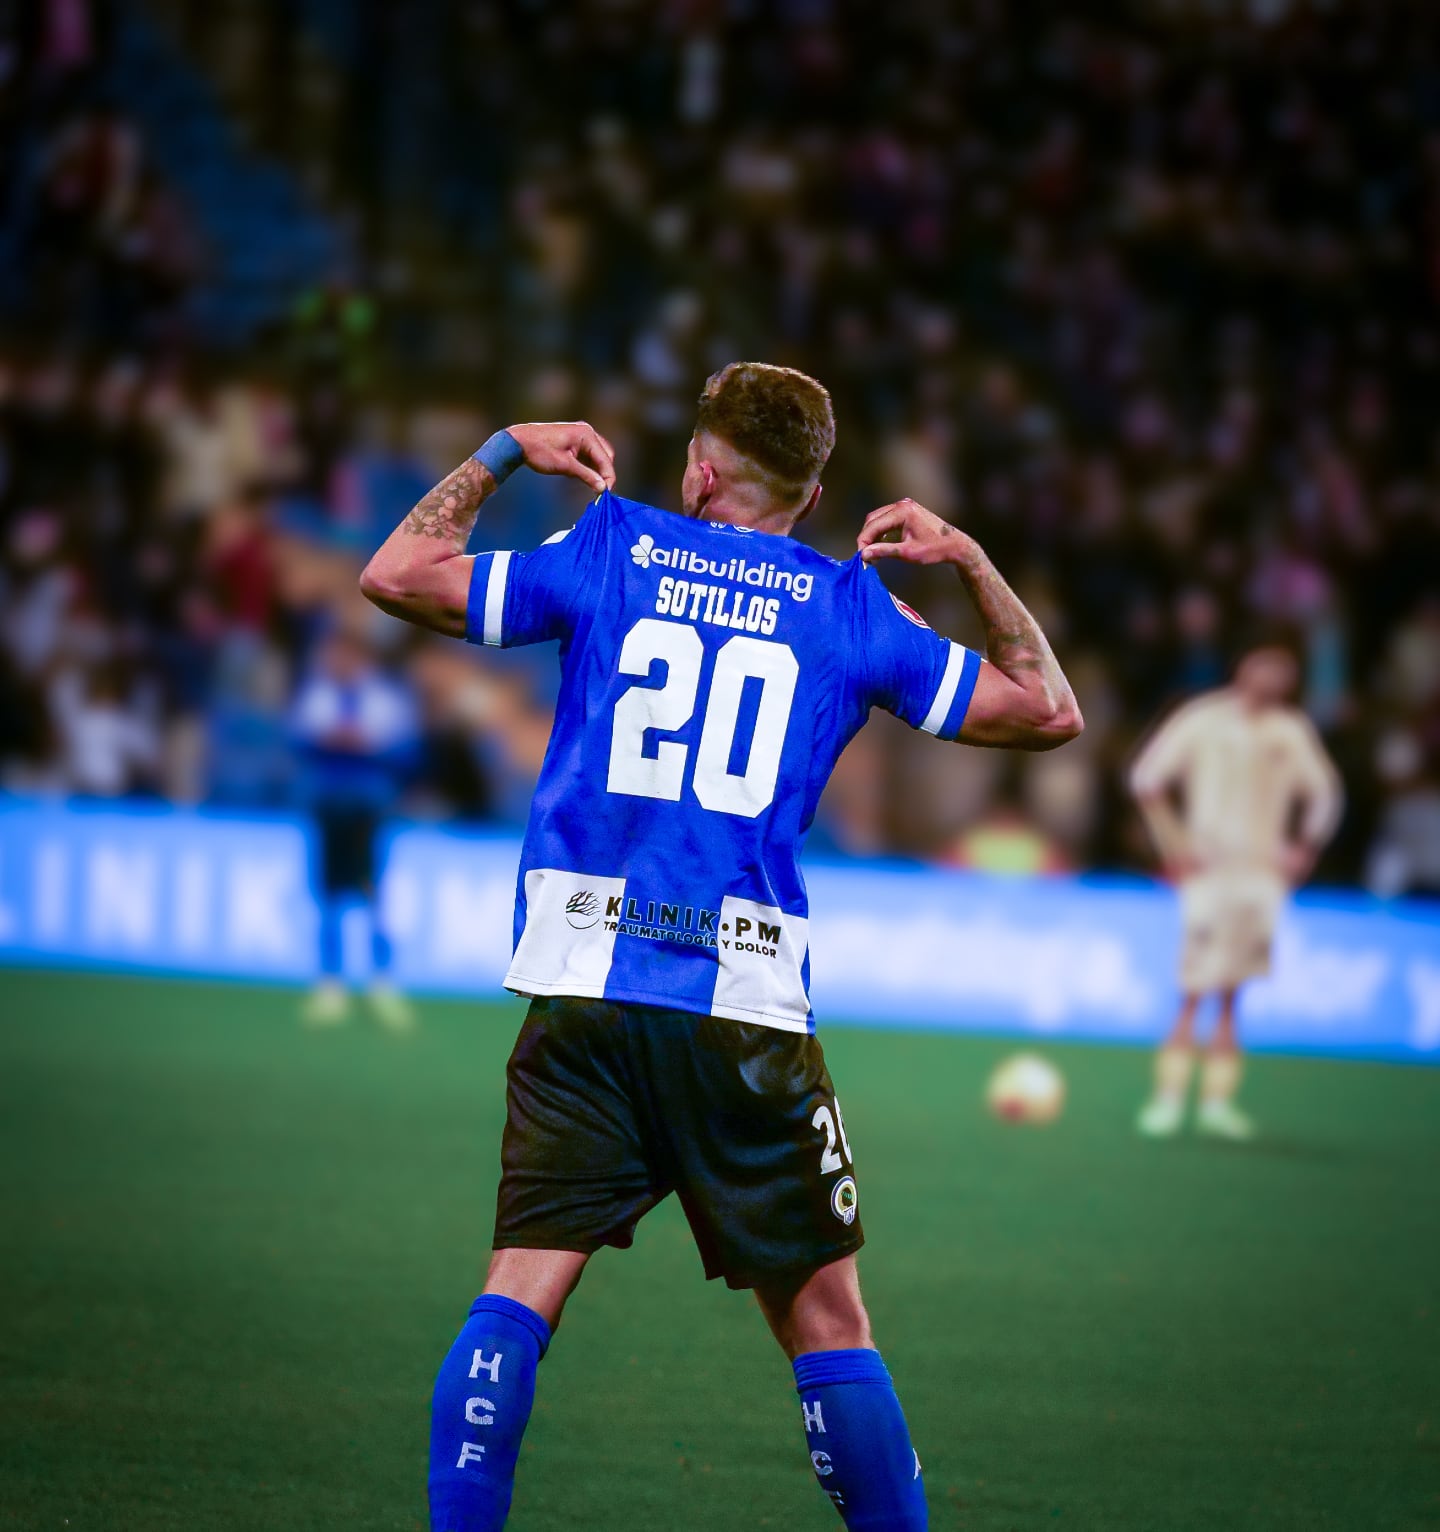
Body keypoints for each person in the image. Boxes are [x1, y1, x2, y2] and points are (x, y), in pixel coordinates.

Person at [360, 362, 1082, 1531]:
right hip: (738, 1001)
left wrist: (504, 447)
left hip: (581, 988)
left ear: (701, 467)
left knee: (516, 1294)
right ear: (809, 492)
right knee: (830, 1325)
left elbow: (395, 574)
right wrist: (972, 564)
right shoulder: (852, 608)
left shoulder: (611, 548)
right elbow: (1047, 709)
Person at [1129, 644, 1343, 1141]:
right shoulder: (1203, 719)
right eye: (1264, 662)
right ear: (1244, 664)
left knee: (1233, 992)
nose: (1272, 675)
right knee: (1193, 986)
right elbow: (1147, 779)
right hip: (1210, 872)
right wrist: (1175, 845)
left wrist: (1305, 847)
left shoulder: (1290, 732)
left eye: (1283, 667)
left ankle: (1217, 1103)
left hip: (1260, 877)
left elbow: (1325, 793)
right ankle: (1168, 1098)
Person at [291, 625, 420, 1029]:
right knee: (329, 894)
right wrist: (331, 739)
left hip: (367, 807)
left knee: (372, 892)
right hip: (328, 804)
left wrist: (367, 744)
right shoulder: (317, 695)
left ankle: (381, 982)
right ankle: (331, 984)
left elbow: (406, 751)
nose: (340, 663)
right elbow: (298, 740)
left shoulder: (383, 699)